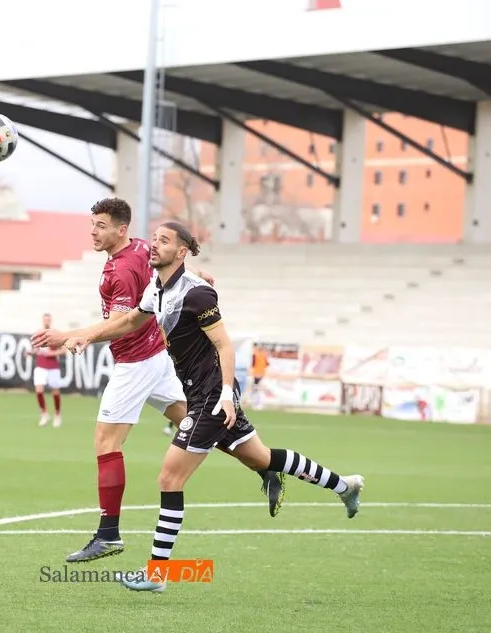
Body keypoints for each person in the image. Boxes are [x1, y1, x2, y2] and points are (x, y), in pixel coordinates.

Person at [45, 221, 365, 593]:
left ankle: (156, 574)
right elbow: (131, 320)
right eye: (154, 239)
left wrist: (227, 394)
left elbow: (225, 347)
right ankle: (345, 486)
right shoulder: (156, 288)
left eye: (164, 241)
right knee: (261, 458)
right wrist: (83, 335)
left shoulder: (197, 295)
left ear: (181, 251)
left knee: (169, 478)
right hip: (198, 394)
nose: (154, 245)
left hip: (212, 398)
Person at [32, 197, 285, 565]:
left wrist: (76, 334)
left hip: (136, 363)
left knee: (105, 441)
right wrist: (198, 273)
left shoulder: (119, 270)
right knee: (203, 426)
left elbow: (122, 323)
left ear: (121, 229)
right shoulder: (138, 249)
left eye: (101, 225)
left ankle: (108, 534)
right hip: (159, 360)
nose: (93, 231)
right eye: (92, 224)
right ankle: (267, 467)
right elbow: (167, 265)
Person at [28, 312, 65, 427]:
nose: (47, 322)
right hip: (40, 366)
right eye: (45, 320)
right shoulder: (38, 333)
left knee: (55, 392)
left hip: (53, 367)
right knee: (39, 389)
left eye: (48, 320)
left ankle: (57, 414)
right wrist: (31, 353)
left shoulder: (55, 334)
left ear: (51, 321)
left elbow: (64, 350)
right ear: (43, 321)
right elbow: (36, 350)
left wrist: (53, 353)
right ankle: (44, 414)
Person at [250, 344, 269, 409]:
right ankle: (259, 403)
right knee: (259, 389)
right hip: (262, 374)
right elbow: (267, 364)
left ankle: (257, 403)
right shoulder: (264, 354)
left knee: (256, 389)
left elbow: (253, 364)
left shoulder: (255, 354)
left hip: (256, 374)